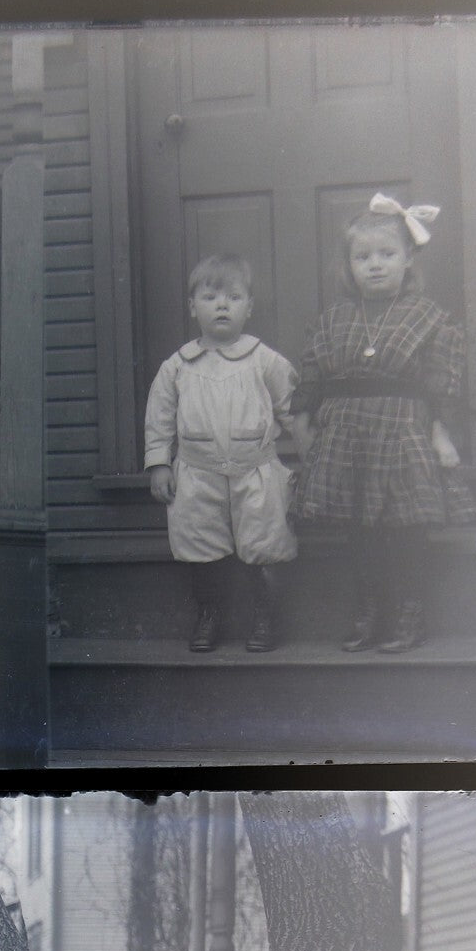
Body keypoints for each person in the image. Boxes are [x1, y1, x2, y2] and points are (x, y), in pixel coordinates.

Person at [290, 192, 476, 654]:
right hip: (346, 435)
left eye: (387, 254)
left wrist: (441, 432)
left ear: (408, 258)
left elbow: (443, 380)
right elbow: (312, 374)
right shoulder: (333, 320)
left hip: (403, 429)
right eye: (363, 257)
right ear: (349, 265)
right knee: (360, 530)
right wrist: (302, 423)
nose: (375, 265)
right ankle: (370, 610)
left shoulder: (429, 318)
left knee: (405, 526)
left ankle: (410, 614)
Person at [144, 255, 299, 654]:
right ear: (192, 307)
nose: (222, 305)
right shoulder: (177, 366)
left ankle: (266, 617)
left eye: (233, 297)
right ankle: (209, 614)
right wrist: (159, 463)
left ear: (249, 307)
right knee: (201, 543)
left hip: (256, 470)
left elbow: (294, 410)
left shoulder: (265, 360)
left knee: (265, 542)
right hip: (197, 473)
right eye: (210, 297)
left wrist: (310, 455)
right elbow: (159, 417)